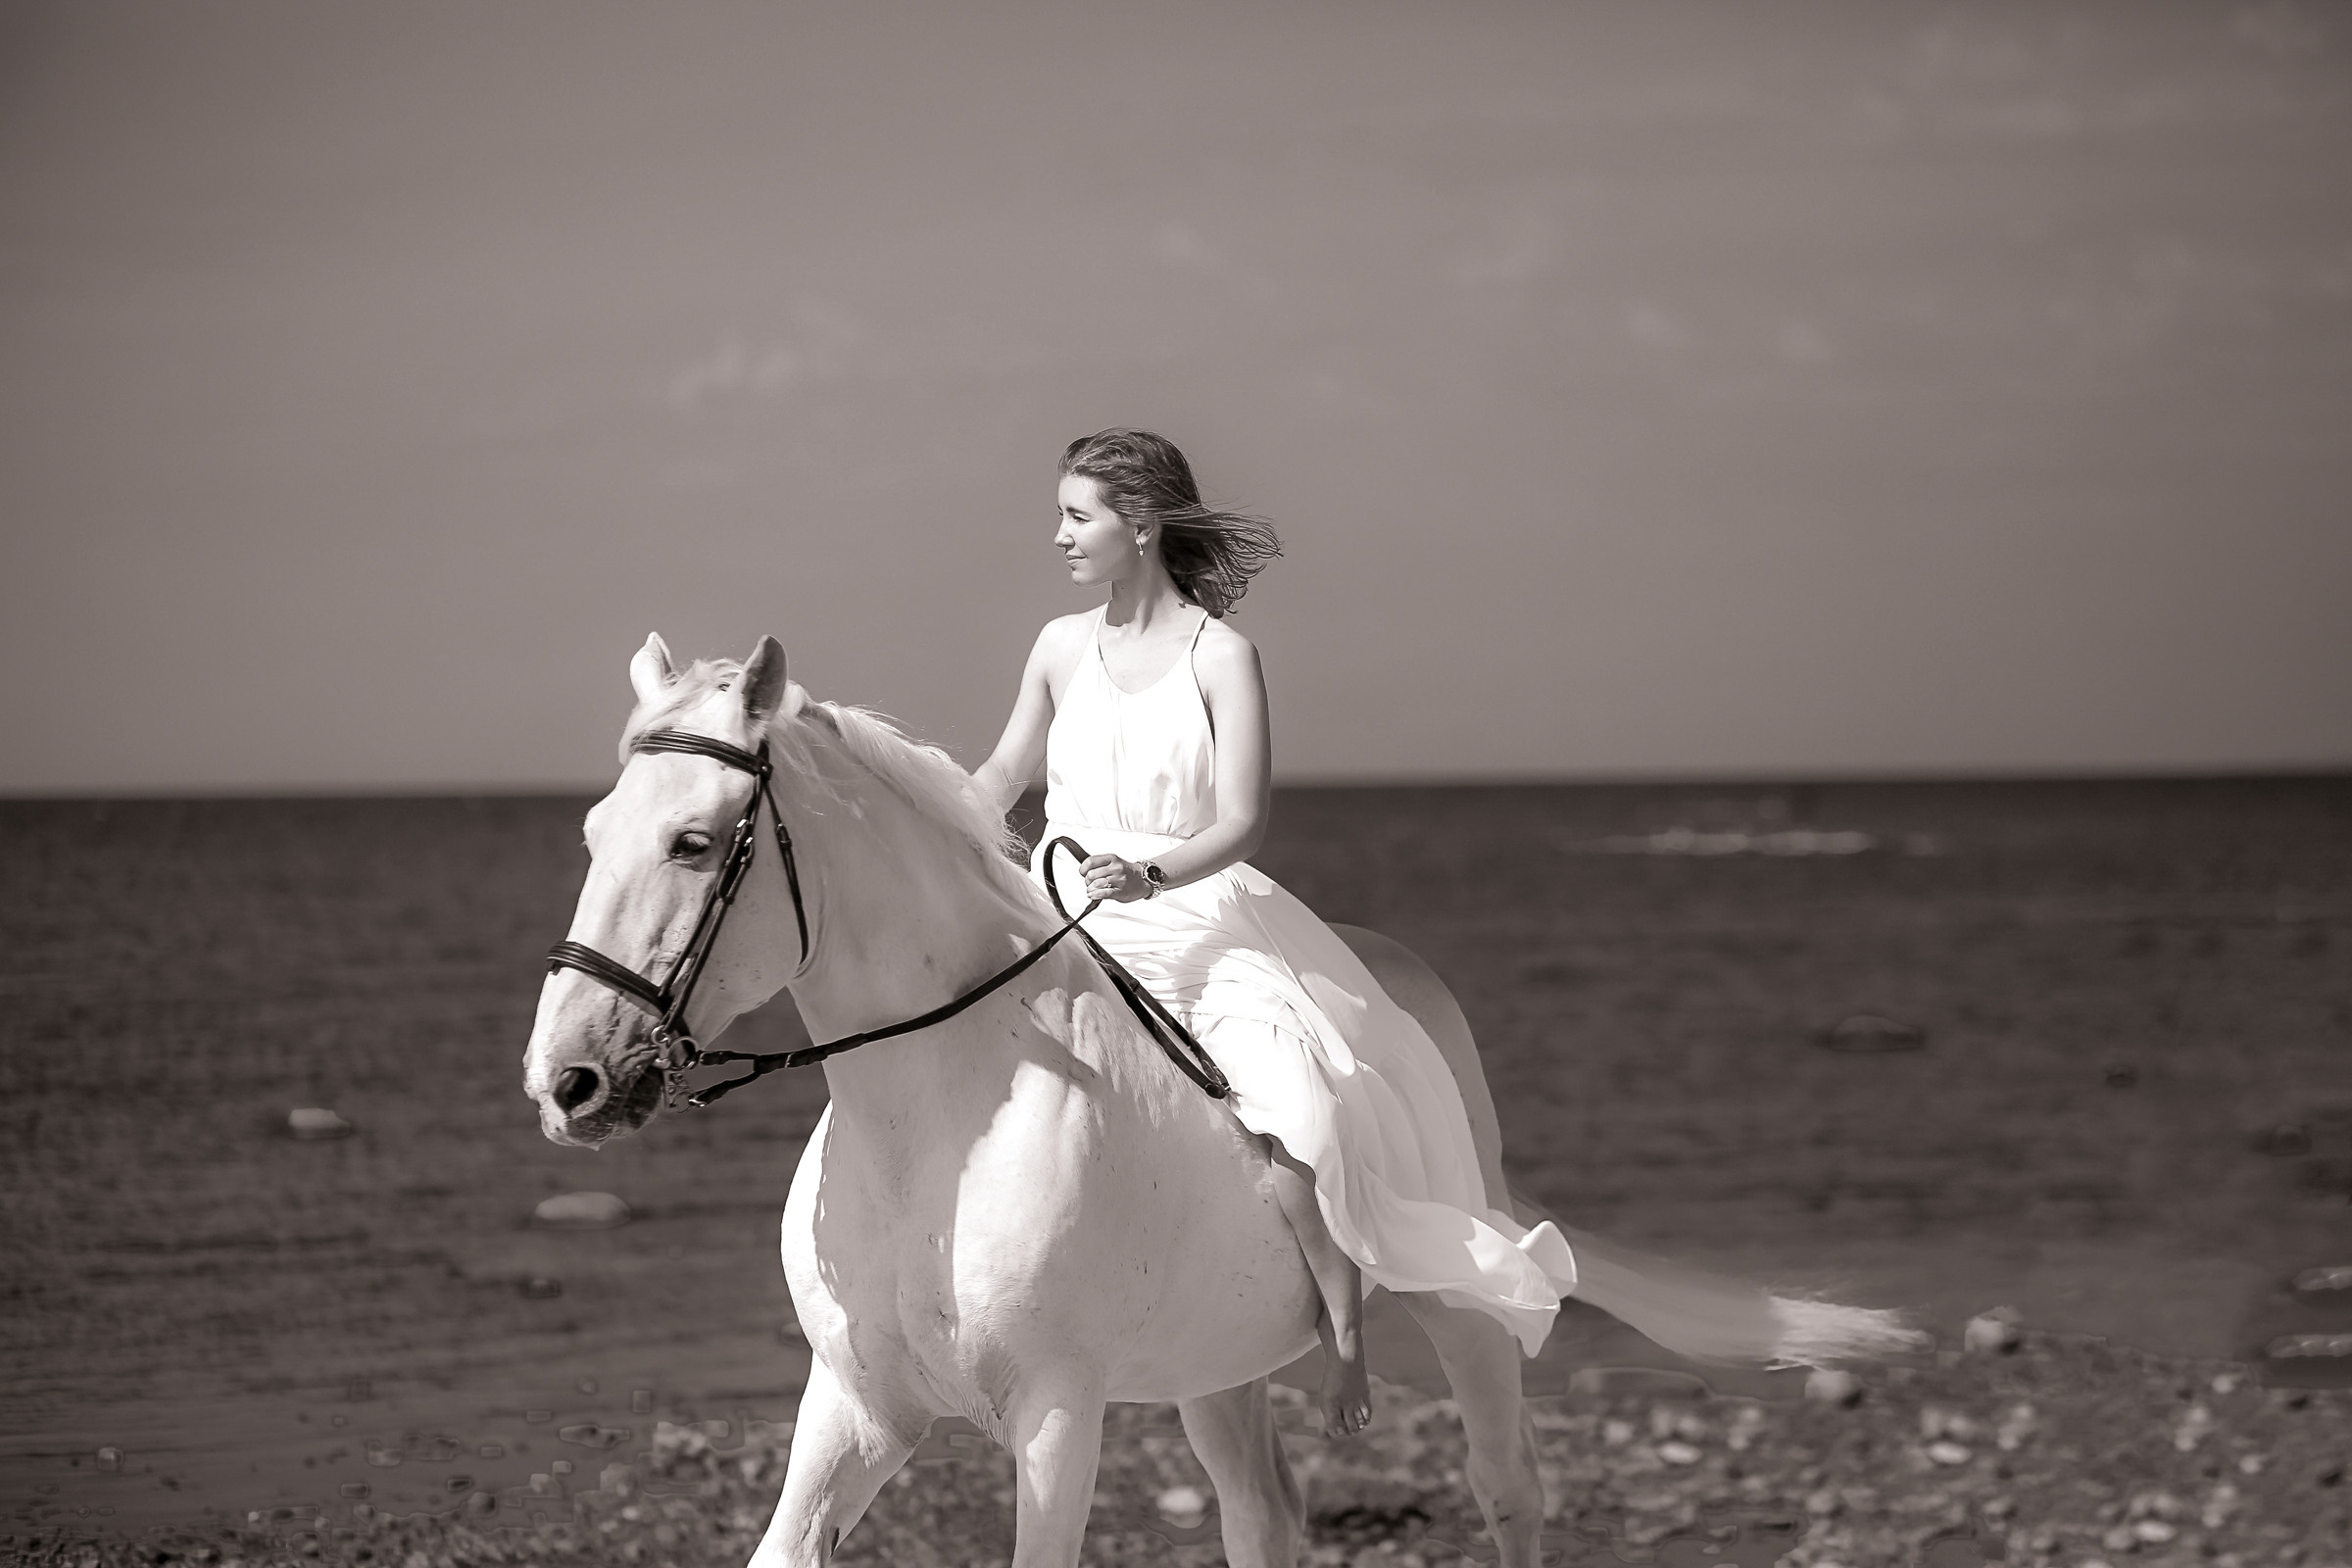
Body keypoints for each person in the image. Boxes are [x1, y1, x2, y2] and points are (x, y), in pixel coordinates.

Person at [972, 428, 1578, 1439]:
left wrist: (1148, 874)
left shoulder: (1222, 657)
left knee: (1297, 1105)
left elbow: (1243, 820)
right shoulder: (1058, 646)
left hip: (1185, 906)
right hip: (1058, 903)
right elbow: (1002, 775)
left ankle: (1343, 1333)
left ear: (1141, 525)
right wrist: (934, 823)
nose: (1060, 536)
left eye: (1078, 516)